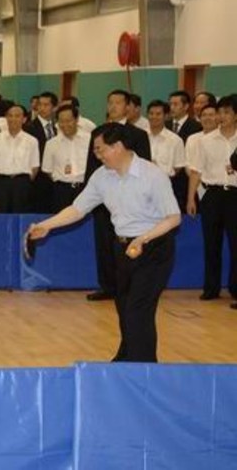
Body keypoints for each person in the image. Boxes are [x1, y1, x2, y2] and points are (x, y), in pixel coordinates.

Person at [29, 123, 181, 362]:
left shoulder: (152, 175)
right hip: (122, 248)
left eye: (101, 150)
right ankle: (129, 357)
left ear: (118, 146)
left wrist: (144, 238)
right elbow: (78, 208)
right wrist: (46, 225)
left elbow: (173, 218)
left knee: (138, 309)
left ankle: (142, 367)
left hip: (153, 248)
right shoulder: (101, 177)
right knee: (124, 306)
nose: (97, 156)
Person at [84, 89, 152, 302]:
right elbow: (91, 166)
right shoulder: (97, 134)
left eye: (118, 102)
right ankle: (107, 286)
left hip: (130, 201)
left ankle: (130, 287)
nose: (113, 106)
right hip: (104, 199)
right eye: (110, 102)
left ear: (128, 107)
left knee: (128, 243)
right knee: (104, 244)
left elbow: (145, 167)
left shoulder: (138, 135)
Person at [187, 95, 237, 303]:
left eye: (227, 112)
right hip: (212, 195)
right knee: (211, 244)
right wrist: (191, 198)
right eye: (220, 112)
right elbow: (196, 171)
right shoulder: (205, 141)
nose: (221, 116)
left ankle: (235, 289)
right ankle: (211, 288)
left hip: (235, 195)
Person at [0, 103, 40, 214]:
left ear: (24, 119)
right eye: (10, 115)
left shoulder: (32, 141)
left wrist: (24, 181)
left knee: (20, 215)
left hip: (22, 183)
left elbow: (35, 166)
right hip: (2, 182)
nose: (13, 119)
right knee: (2, 215)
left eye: (17, 116)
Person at [42, 105, 89, 212]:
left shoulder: (89, 140)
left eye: (68, 121)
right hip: (61, 191)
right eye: (61, 121)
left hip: (84, 188)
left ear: (77, 120)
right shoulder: (51, 144)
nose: (65, 125)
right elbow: (47, 169)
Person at [146, 100, 187, 210]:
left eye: (158, 114)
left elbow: (178, 167)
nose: (154, 117)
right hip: (141, 189)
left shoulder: (175, 140)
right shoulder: (140, 136)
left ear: (166, 116)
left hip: (165, 188)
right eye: (151, 113)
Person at [25, 91, 58, 213]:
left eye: (46, 105)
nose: (42, 108)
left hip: (55, 177)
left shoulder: (58, 127)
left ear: (54, 107)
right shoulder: (29, 128)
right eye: (40, 105)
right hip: (38, 179)